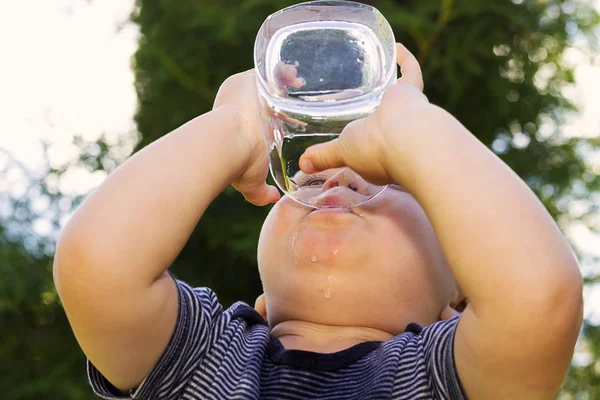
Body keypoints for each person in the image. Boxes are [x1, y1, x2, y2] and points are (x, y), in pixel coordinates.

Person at [53, 43, 583, 400]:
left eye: (391, 182)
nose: (334, 181)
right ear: (262, 306)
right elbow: (97, 269)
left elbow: (539, 300)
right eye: (302, 182)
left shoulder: (442, 376)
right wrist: (235, 130)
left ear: (453, 312)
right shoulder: (211, 352)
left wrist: (413, 129)